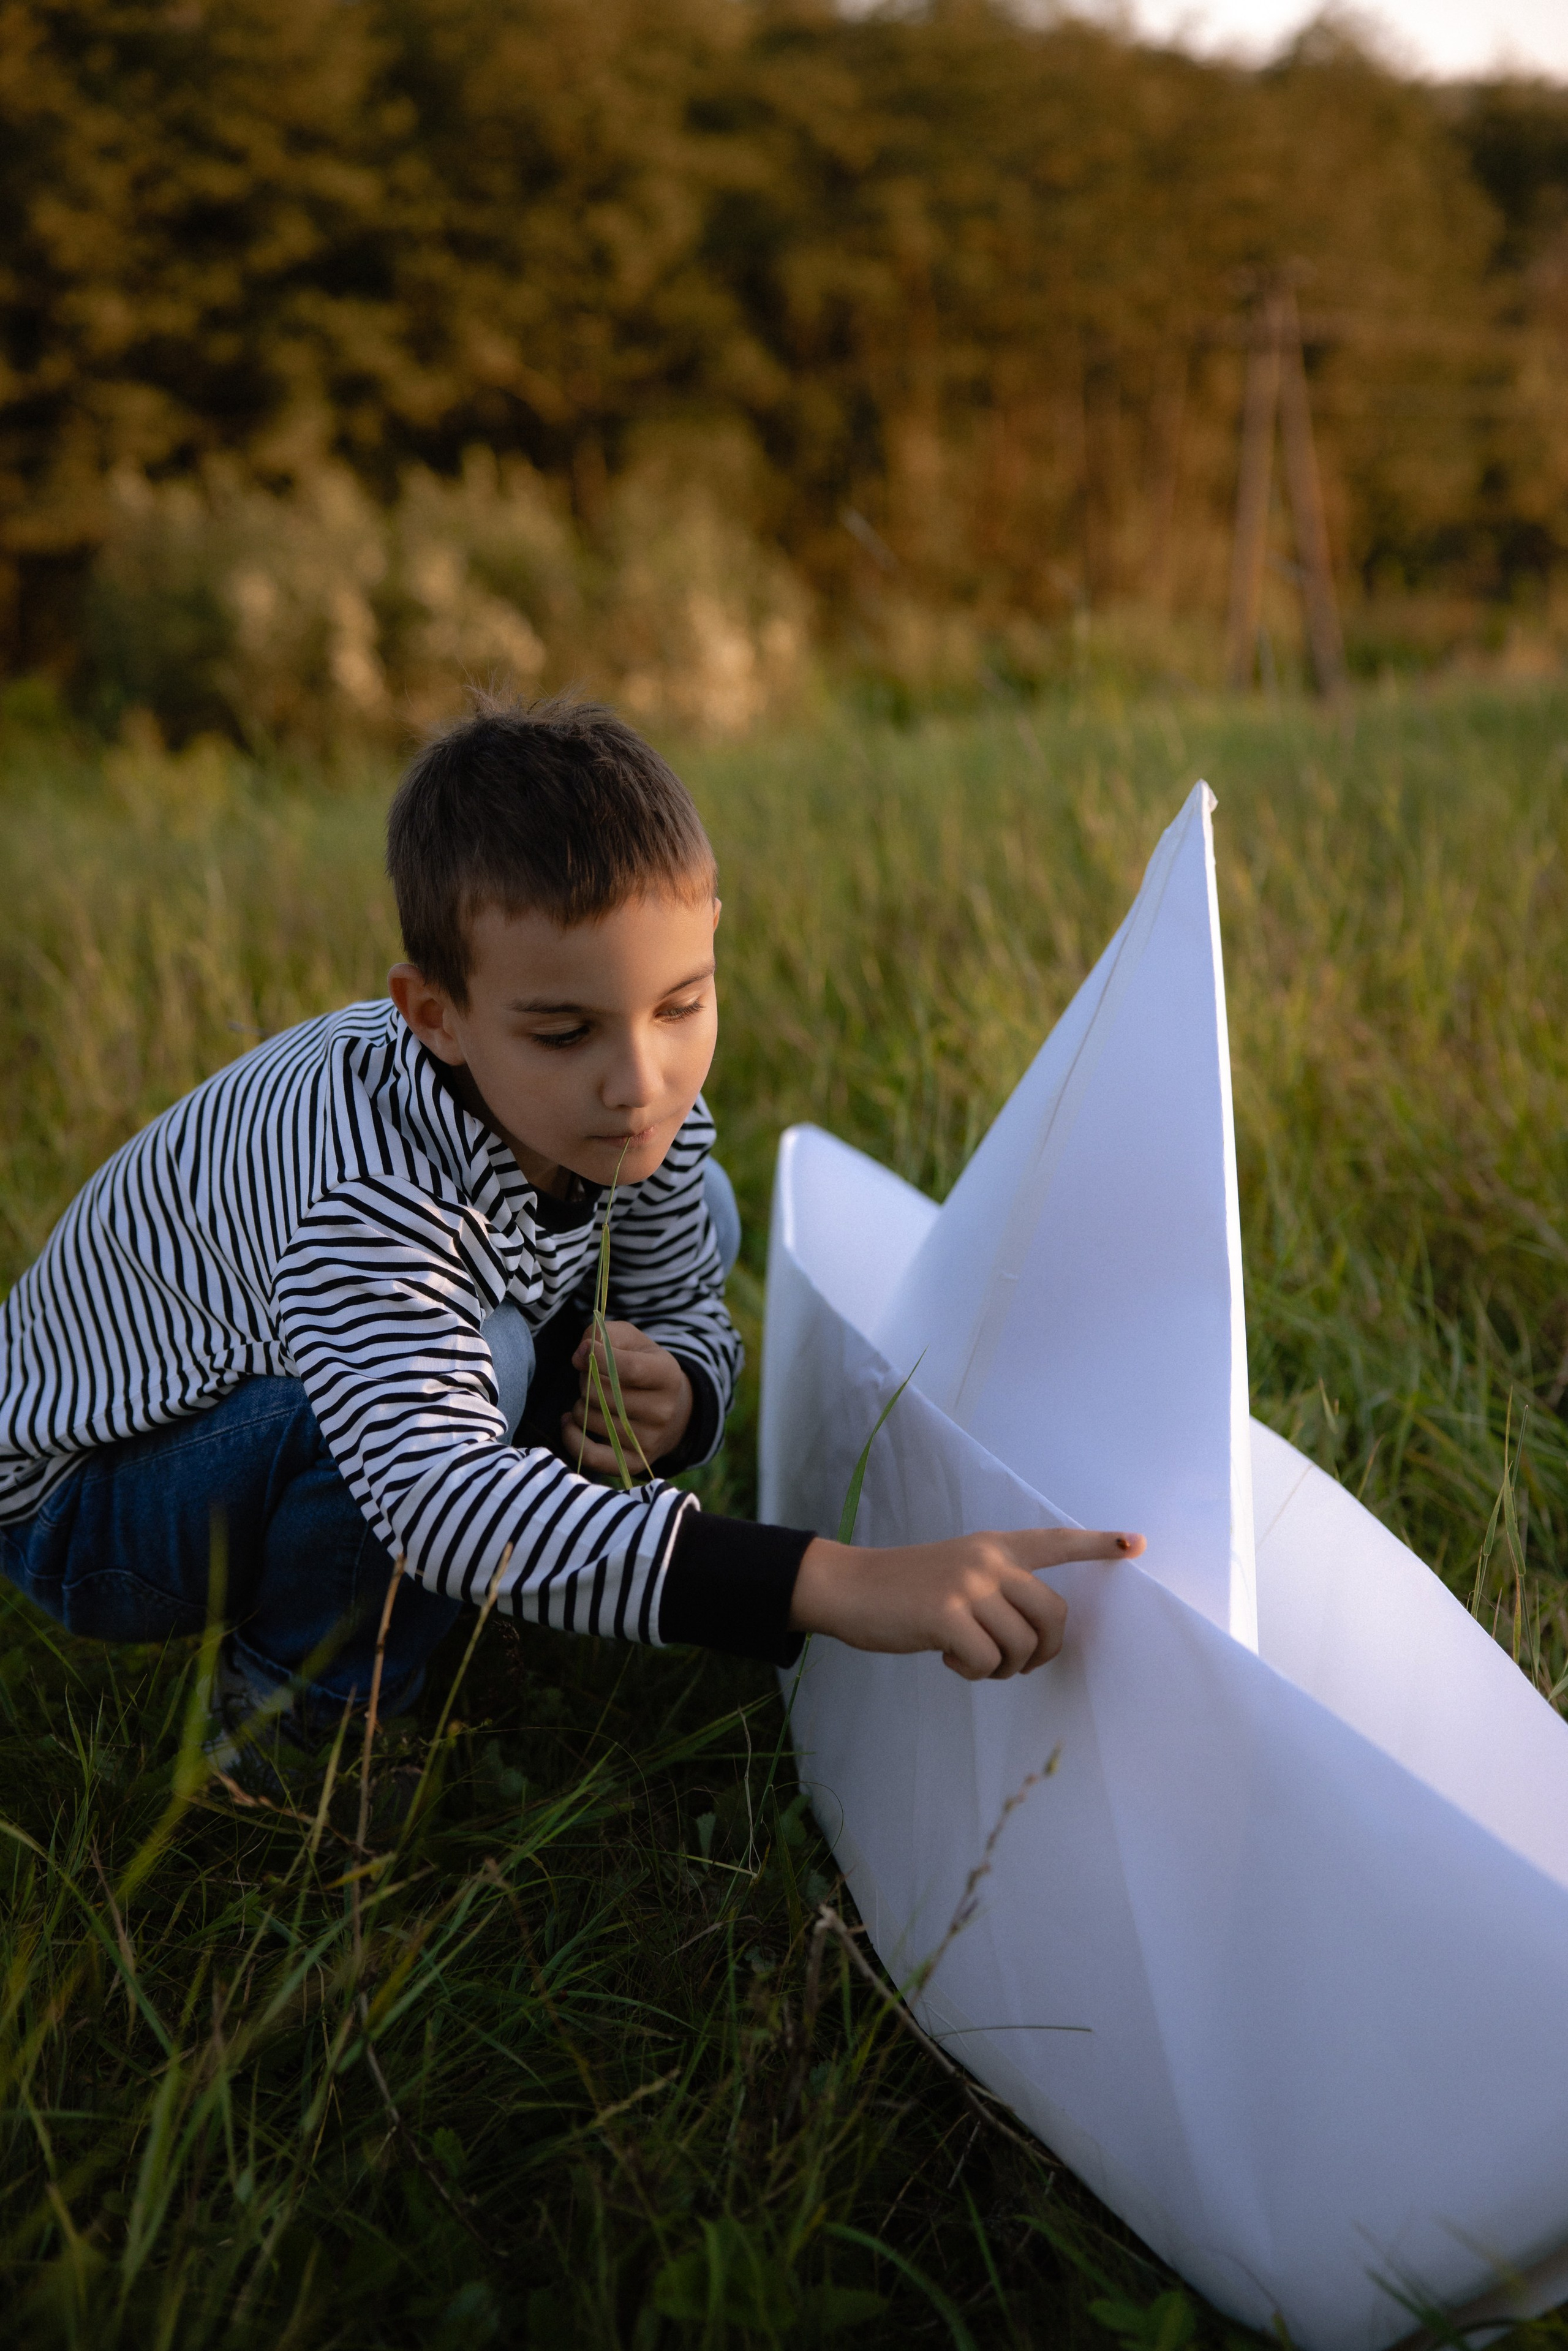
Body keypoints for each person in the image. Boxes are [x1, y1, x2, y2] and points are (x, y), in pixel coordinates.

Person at [0, 696, 1142, 1759]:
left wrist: (686, 1391)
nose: (639, 1082)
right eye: (564, 1032)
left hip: (340, 1384)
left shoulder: (638, 1114)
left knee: (696, 1210)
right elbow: (439, 1495)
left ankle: (488, 1570)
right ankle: (298, 1728)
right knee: (480, 1374)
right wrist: (834, 1582)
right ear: (436, 1016)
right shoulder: (369, 1192)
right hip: (90, 1502)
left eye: (679, 1005)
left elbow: (686, 1300)